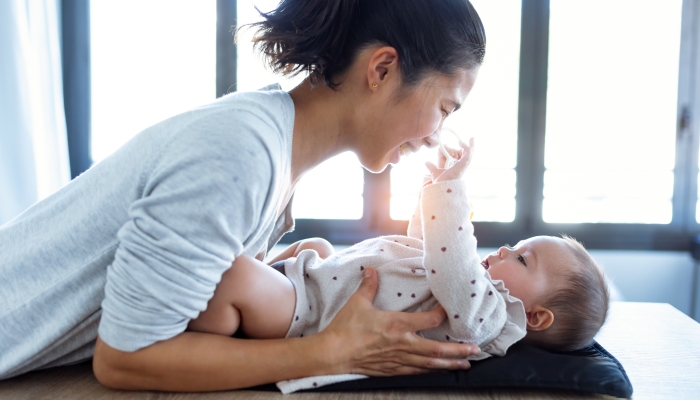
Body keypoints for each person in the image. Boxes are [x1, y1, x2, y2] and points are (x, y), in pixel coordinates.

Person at [0, 0, 488, 390]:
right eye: (445, 108)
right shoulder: (241, 152)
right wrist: (336, 351)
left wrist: (289, 272)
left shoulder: (271, 150)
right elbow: (126, 358)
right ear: (382, 69)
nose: (436, 136)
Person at [187, 139, 611, 393]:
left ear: (535, 316)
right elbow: (425, 250)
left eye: (521, 258)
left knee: (235, 274)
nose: (502, 251)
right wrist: (429, 193)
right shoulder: (473, 291)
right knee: (314, 244)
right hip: (318, 285)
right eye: (513, 246)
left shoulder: (487, 319)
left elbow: (451, 263)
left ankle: (209, 319)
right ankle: (244, 293)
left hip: (308, 314)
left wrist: (450, 193)